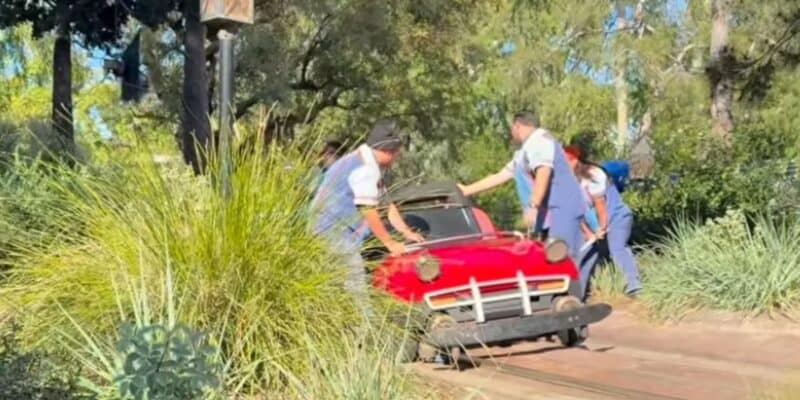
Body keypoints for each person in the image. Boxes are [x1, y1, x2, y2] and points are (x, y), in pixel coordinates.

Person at [309, 120, 424, 314]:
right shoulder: (364, 169)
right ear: (388, 150)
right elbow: (368, 209)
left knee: (341, 289)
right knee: (356, 289)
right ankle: (367, 335)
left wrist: (405, 231)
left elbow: (386, 204)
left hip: (332, 234)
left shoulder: (364, 161)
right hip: (331, 234)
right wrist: (390, 243)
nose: (397, 158)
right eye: (396, 154)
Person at [458, 111, 587, 281]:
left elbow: (543, 172)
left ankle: (570, 301)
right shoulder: (524, 152)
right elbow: (501, 175)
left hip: (562, 207)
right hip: (549, 211)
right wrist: (467, 190)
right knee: (550, 257)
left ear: (517, 126)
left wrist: (533, 205)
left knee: (562, 257)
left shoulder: (540, 141)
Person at [563, 145, 642, 299]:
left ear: (575, 160)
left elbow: (600, 205)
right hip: (595, 224)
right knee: (584, 253)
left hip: (617, 217)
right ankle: (577, 296)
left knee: (617, 248)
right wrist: (588, 233)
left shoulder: (594, 174)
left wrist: (602, 227)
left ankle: (634, 287)